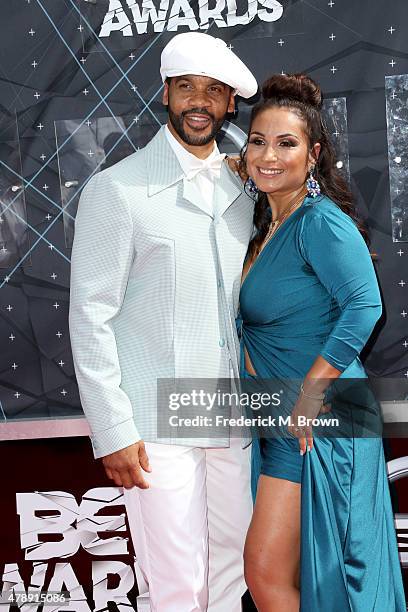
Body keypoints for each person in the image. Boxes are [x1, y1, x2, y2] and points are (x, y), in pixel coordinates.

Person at [68, 33, 258, 612]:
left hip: (233, 415)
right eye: (185, 88)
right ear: (166, 94)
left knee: (236, 568)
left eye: (212, 91)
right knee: (177, 585)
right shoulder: (117, 190)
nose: (197, 102)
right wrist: (113, 429)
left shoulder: (247, 186)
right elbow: (89, 317)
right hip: (154, 422)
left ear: (230, 103)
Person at [236, 74, 405, 611]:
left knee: (322, 576)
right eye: (257, 141)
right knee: (283, 577)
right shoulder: (267, 225)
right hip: (283, 420)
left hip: (320, 418)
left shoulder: (320, 223)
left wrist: (309, 397)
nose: (268, 154)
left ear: (313, 155)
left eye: (286, 143)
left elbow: (365, 307)